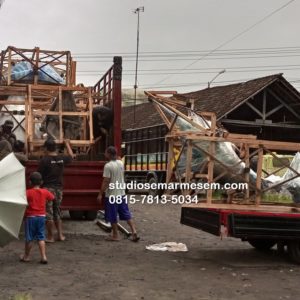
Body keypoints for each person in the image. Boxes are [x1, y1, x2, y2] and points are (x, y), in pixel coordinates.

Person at [97, 146, 139, 242]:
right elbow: (119, 159)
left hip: (112, 195)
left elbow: (106, 181)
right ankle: (134, 232)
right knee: (126, 214)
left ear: (108, 154)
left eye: (105, 152)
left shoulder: (107, 166)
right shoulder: (120, 163)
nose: (104, 154)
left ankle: (115, 235)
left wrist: (100, 194)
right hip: (121, 194)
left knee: (112, 216)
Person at [38, 139, 72, 242]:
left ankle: (50, 237)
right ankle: (60, 235)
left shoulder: (44, 160)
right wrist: (67, 144)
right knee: (57, 211)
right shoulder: (61, 158)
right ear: (55, 148)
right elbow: (71, 156)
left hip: (47, 189)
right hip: (59, 189)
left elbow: (39, 176)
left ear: (46, 148)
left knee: (48, 213)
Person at [20, 172, 54, 264]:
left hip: (30, 217)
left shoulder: (27, 192)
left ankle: (26, 256)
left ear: (30, 182)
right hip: (41, 217)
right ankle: (44, 257)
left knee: (29, 238)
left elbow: (21, 200)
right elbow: (52, 197)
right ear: (41, 182)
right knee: (41, 237)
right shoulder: (45, 192)